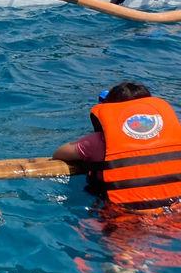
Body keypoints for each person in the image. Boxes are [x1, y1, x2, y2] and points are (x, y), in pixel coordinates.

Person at [52, 81, 181, 212]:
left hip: (126, 218)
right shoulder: (176, 136)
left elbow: (59, 154)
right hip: (175, 213)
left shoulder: (98, 141)